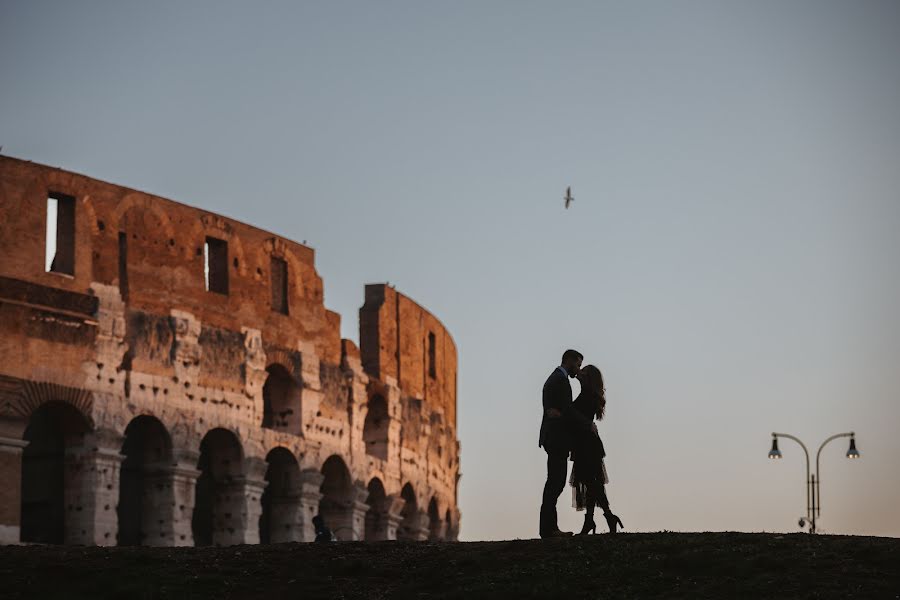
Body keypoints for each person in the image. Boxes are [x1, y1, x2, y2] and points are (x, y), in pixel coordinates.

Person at [538, 349, 594, 538]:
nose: (577, 369)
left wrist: (560, 413)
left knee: (554, 482)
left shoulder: (555, 378)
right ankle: (548, 529)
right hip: (556, 439)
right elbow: (567, 409)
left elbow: (562, 410)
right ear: (568, 360)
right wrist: (587, 423)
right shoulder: (560, 380)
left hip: (553, 437)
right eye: (577, 365)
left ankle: (549, 528)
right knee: (555, 483)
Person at [569, 364, 624, 535]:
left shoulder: (588, 396)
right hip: (584, 442)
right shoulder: (588, 394)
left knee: (591, 482)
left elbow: (574, 414)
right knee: (592, 482)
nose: (580, 372)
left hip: (587, 444)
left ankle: (596, 519)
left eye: (583, 371)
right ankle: (600, 518)